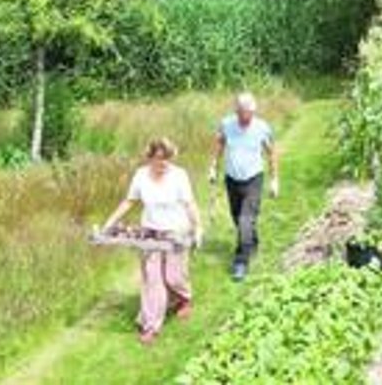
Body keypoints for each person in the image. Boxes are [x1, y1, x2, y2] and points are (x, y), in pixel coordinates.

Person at [101, 138, 202, 345]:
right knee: (152, 280)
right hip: (150, 233)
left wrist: (198, 227)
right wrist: (109, 223)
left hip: (176, 232)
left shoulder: (179, 176)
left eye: (167, 159)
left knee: (173, 277)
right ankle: (151, 325)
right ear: (150, 158)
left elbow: (189, 203)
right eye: (158, 159)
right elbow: (129, 201)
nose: (163, 163)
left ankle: (183, 298)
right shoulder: (141, 176)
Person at [209, 91, 278, 281]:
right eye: (242, 114)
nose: (246, 118)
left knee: (245, 220)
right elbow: (218, 145)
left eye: (249, 114)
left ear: (253, 111)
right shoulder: (226, 124)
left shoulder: (262, 127)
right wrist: (213, 167)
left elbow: (271, 153)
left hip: (254, 178)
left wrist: (274, 180)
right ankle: (252, 242)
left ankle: (241, 262)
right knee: (237, 217)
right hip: (232, 178)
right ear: (236, 111)